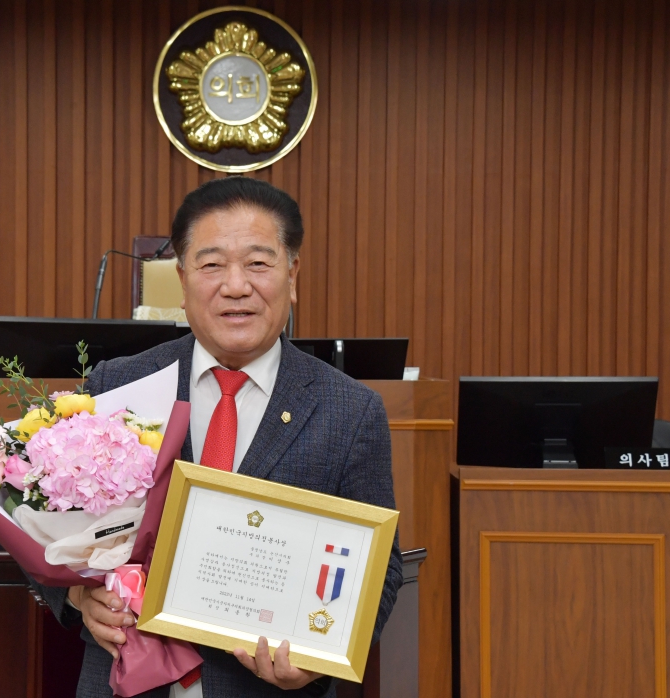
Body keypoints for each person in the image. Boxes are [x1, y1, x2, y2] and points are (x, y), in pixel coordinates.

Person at [33, 177, 403, 698]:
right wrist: (76, 597)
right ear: (182, 280)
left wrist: (319, 662)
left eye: (258, 263)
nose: (235, 286)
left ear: (292, 274)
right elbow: (41, 530)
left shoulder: (350, 411)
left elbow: (379, 571)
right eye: (211, 265)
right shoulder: (118, 386)